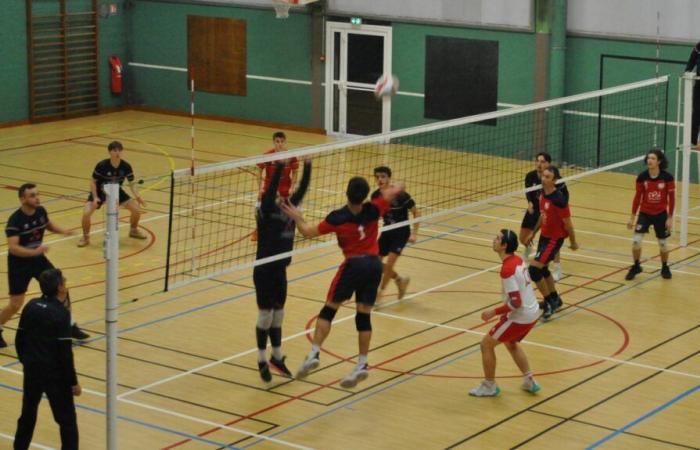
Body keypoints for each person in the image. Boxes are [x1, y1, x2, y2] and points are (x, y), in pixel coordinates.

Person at [281, 177, 403, 388]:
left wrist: (298, 217)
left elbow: (308, 232)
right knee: (363, 316)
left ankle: (314, 354)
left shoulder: (337, 218)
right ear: (365, 195)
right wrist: (389, 187)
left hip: (353, 266)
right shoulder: (375, 209)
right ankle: (362, 364)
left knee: (329, 310)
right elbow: (398, 188)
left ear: (346, 193)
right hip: (374, 265)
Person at [1, 184, 89, 349]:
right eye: (32, 195)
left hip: (38, 259)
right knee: (15, 304)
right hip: (19, 264)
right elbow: (13, 247)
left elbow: (47, 224)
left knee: (61, 287)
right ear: (22, 199)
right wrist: (34, 252)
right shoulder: (15, 220)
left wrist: (64, 231)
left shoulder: (40, 211)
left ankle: (69, 325)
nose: (37, 198)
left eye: (37, 194)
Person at [254, 157, 311, 382]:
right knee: (265, 315)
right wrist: (278, 167)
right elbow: (269, 194)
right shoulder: (266, 211)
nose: (281, 197)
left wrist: (308, 165)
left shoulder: (288, 208)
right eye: (277, 195)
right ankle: (261, 359)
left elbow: (303, 188)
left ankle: (276, 357)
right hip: (264, 271)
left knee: (279, 314)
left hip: (280, 271)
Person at [469, 229, 541, 397]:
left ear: (504, 246)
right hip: (533, 312)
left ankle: (489, 385)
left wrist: (493, 312)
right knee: (511, 343)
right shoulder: (517, 260)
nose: (494, 240)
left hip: (521, 316)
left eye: (498, 238)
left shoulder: (507, 269)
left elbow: (516, 302)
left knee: (486, 344)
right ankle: (529, 380)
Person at [14, 268, 80, 450]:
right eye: (64, 283)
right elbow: (65, 353)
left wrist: (27, 361)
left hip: (32, 371)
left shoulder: (31, 305)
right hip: (55, 376)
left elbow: (19, 339)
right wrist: (73, 382)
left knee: (27, 415)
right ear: (60, 287)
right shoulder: (61, 314)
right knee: (67, 422)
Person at [524, 167, 579, 320]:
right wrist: (533, 233)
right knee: (542, 269)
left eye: (547, 177)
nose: (543, 179)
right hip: (544, 237)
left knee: (534, 270)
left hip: (555, 239)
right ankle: (555, 298)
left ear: (554, 181)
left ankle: (548, 302)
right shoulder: (542, 194)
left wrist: (573, 242)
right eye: (543, 176)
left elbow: (568, 224)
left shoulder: (559, 200)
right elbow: (543, 216)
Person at [77, 141, 147, 247]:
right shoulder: (102, 165)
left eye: (119, 150)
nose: (117, 152)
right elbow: (92, 182)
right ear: (110, 152)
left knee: (137, 210)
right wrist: (95, 197)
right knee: (86, 213)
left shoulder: (126, 166)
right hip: (101, 191)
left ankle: (133, 230)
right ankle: (85, 237)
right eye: (115, 150)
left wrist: (138, 197)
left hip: (116, 190)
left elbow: (132, 183)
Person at [371, 166, 420, 300]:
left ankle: (379, 293)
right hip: (387, 231)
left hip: (401, 232)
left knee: (390, 263)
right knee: (376, 263)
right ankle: (400, 280)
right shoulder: (375, 196)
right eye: (377, 177)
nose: (380, 179)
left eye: (383, 176)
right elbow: (375, 215)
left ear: (389, 178)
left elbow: (416, 212)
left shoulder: (401, 195)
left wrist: (414, 233)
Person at [626, 149, 675, 280]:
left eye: (653, 158)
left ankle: (665, 267)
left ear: (659, 161)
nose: (649, 160)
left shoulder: (667, 178)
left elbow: (672, 198)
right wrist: (632, 217)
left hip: (660, 214)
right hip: (645, 213)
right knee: (636, 241)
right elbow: (637, 198)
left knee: (663, 243)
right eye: (648, 158)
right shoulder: (642, 177)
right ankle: (636, 266)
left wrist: (670, 218)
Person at [519, 152, 569, 281]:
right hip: (535, 210)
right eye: (537, 161)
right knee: (523, 237)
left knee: (553, 238)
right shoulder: (530, 176)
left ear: (548, 164)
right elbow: (528, 192)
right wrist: (529, 202)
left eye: (542, 162)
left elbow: (565, 198)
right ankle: (529, 249)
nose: (539, 164)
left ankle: (557, 269)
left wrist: (557, 211)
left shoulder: (557, 180)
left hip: (550, 212)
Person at [252, 132, 299, 242]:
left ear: (284, 142)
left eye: (282, 142)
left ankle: (287, 230)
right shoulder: (268, 155)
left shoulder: (291, 156)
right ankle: (259, 230)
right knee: (257, 210)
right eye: (277, 142)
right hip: (269, 190)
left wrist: (292, 187)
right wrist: (259, 189)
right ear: (274, 142)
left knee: (292, 212)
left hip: (285, 190)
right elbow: (258, 170)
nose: (280, 144)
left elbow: (295, 172)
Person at [685, 41, 700, 147]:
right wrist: (687, 71)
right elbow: (692, 59)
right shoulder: (699, 46)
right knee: (697, 112)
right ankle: (694, 140)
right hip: (699, 85)